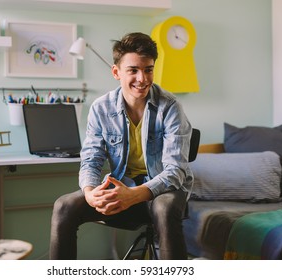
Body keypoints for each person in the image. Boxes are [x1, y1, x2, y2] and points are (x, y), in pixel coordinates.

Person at [50, 32, 193, 260]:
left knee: (164, 208)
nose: (143, 78)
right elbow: (91, 160)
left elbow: (175, 172)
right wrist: (90, 193)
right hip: (122, 190)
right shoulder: (100, 108)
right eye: (133, 70)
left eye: (148, 69)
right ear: (116, 72)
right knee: (64, 206)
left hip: (162, 192)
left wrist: (133, 195)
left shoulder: (171, 107)